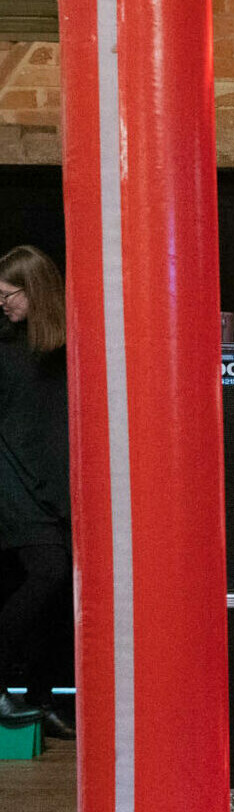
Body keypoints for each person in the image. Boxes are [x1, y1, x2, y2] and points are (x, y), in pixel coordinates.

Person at [0, 245, 75, 740]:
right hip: (14, 483)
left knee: (57, 594)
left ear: (37, 290)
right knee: (48, 575)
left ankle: (42, 699)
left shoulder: (69, 348)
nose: (1, 302)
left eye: (9, 294)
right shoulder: (2, 346)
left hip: (56, 487)